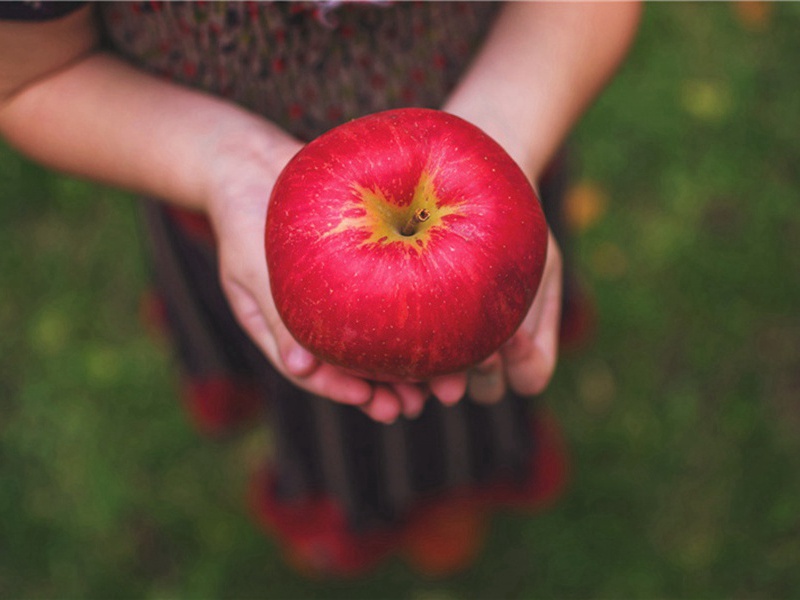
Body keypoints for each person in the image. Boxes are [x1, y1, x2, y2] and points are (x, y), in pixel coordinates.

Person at [0, 1, 640, 578]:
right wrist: (219, 162)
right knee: (307, 378)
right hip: (240, 211)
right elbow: (29, 75)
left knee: (464, 385)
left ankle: (442, 499)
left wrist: (502, 138)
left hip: (490, 183)